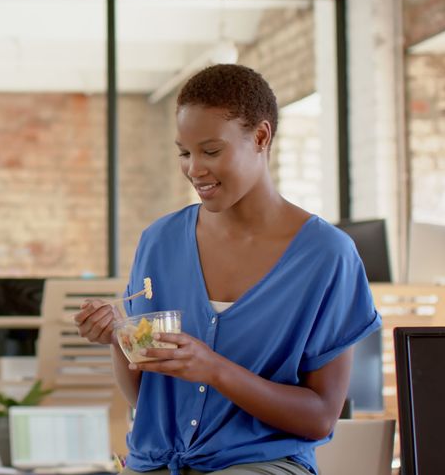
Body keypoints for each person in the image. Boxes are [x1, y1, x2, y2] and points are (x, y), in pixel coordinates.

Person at [74, 64, 380, 475]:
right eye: (184, 153)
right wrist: (117, 338)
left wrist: (215, 370)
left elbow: (321, 416)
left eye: (211, 151)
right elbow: (146, 398)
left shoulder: (327, 257)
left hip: (261, 464)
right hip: (155, 463)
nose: (194, 169)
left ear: (261, 137)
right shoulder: (159, 242)